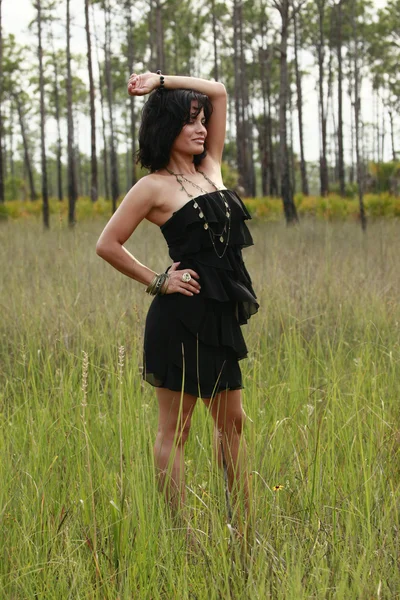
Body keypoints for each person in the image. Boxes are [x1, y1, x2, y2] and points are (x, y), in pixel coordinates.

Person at [95, 71, 259, 531]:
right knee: (177, 431)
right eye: (190, 120)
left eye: (203, 120)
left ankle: (243, 531)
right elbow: (108, 243)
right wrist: (158, 281)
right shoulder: (152, 188)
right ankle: (182, 536)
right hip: (179, 320)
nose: (202, 127)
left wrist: (162, 80)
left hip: (221, 318)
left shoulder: (211, 171)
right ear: (168, 128)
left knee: (234, 425)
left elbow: (221, 90)